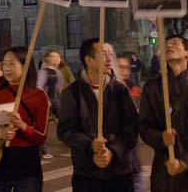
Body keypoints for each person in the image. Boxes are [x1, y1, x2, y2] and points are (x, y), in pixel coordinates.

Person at [138, 35, 188, 192]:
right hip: (165, 171)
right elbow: (144, 126)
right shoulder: (152, 88)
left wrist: (186, 163)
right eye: (166, 44)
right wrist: (160, 137)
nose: (169, 46)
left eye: (175, 43)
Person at [59, 38, 139, 191]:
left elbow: (131, 129)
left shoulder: (120, 90)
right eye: (103, 54)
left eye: (110, 54)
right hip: (87, 174)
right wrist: (90, 145)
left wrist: (113, 151)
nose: (109, 59)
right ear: (89, 60)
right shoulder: (72, 93)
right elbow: (66, 131)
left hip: (119, 173)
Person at [0, 46, 50, 192]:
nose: (7, 68)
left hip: (27, 165)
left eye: (12, 63)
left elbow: (41, 137)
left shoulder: (39, 95)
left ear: (25, 65)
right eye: (4, 63)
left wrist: (22, 126)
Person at [36, 49, 65, 159]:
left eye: (58, 57)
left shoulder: (58, 72)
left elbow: (60, 88)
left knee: (65, 120)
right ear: (47, 58)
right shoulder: (43, 72)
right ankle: (41, 149)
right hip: (45, 101)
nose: (56, 59)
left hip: (56, 100)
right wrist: (45, 100)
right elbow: (39, 87)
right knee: (43, 125)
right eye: (53, 56)